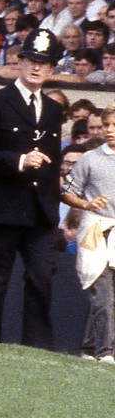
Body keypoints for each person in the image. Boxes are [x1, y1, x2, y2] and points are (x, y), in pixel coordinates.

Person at [0, 28, 65, 348]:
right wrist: (20, 160)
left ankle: (36, 347)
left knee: (41, 278)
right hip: (1, 207)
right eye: (32, 60)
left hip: (40, 212)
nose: (38, 68)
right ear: (20, 62)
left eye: (45, 63)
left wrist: (58, 204)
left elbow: (53, 162)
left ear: (52, 69)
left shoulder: (53, 109)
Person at [60, 108, 115, 364]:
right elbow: (67, 192)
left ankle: (88, 348)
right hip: (94, 229)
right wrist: (86, 205)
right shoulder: (90, 158)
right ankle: (106, 351)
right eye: (106, 125)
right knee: (102, 291)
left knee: (108, 294)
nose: (110, 130)